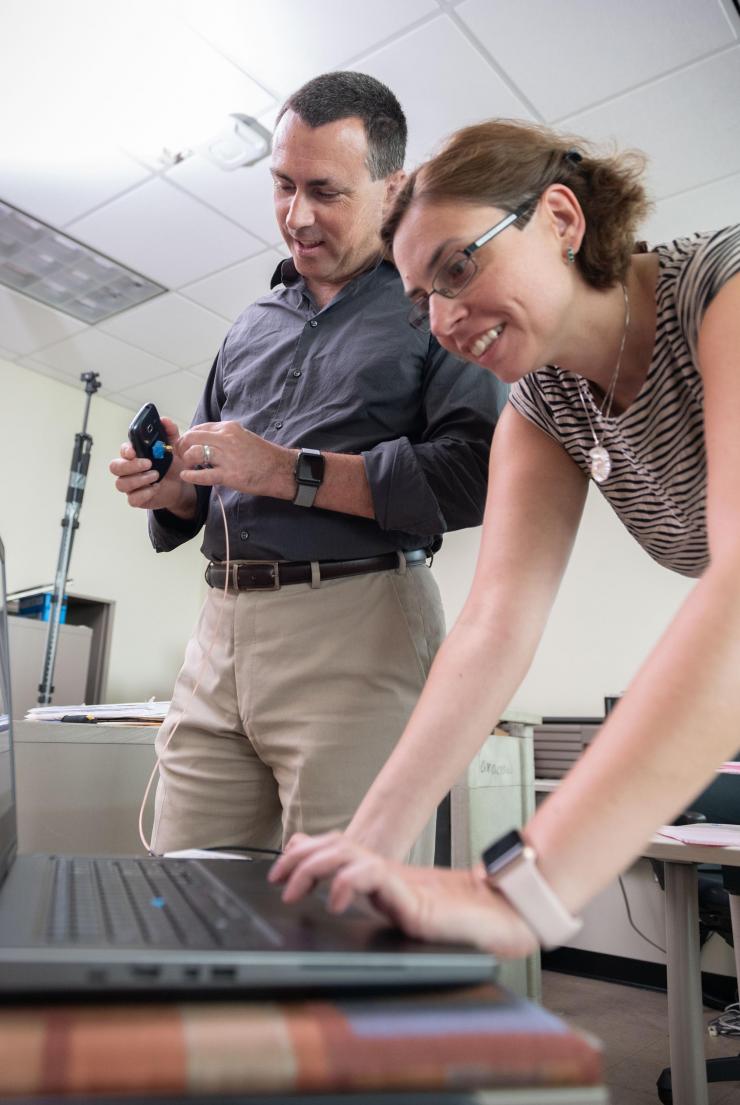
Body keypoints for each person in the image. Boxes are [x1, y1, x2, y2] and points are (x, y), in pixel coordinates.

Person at [270, 118, 740, 957]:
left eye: (458, 265)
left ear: (561, 218)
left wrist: (522, 894)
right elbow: (493, 629)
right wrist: (365, 847)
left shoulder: (720, 287)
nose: (445, 319)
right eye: (423, 302)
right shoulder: (545, 404)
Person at [109, 73, 505, 861]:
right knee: (183, 896)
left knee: (338, 921)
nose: (297, 215)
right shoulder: (248, 326)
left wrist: (287, 470)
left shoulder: (437, 305)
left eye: (325, 190)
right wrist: (176, 490)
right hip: (217, 635)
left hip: (357, 629)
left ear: (392, 189)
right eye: (283, 186)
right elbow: (213, 490)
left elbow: (470, 473)